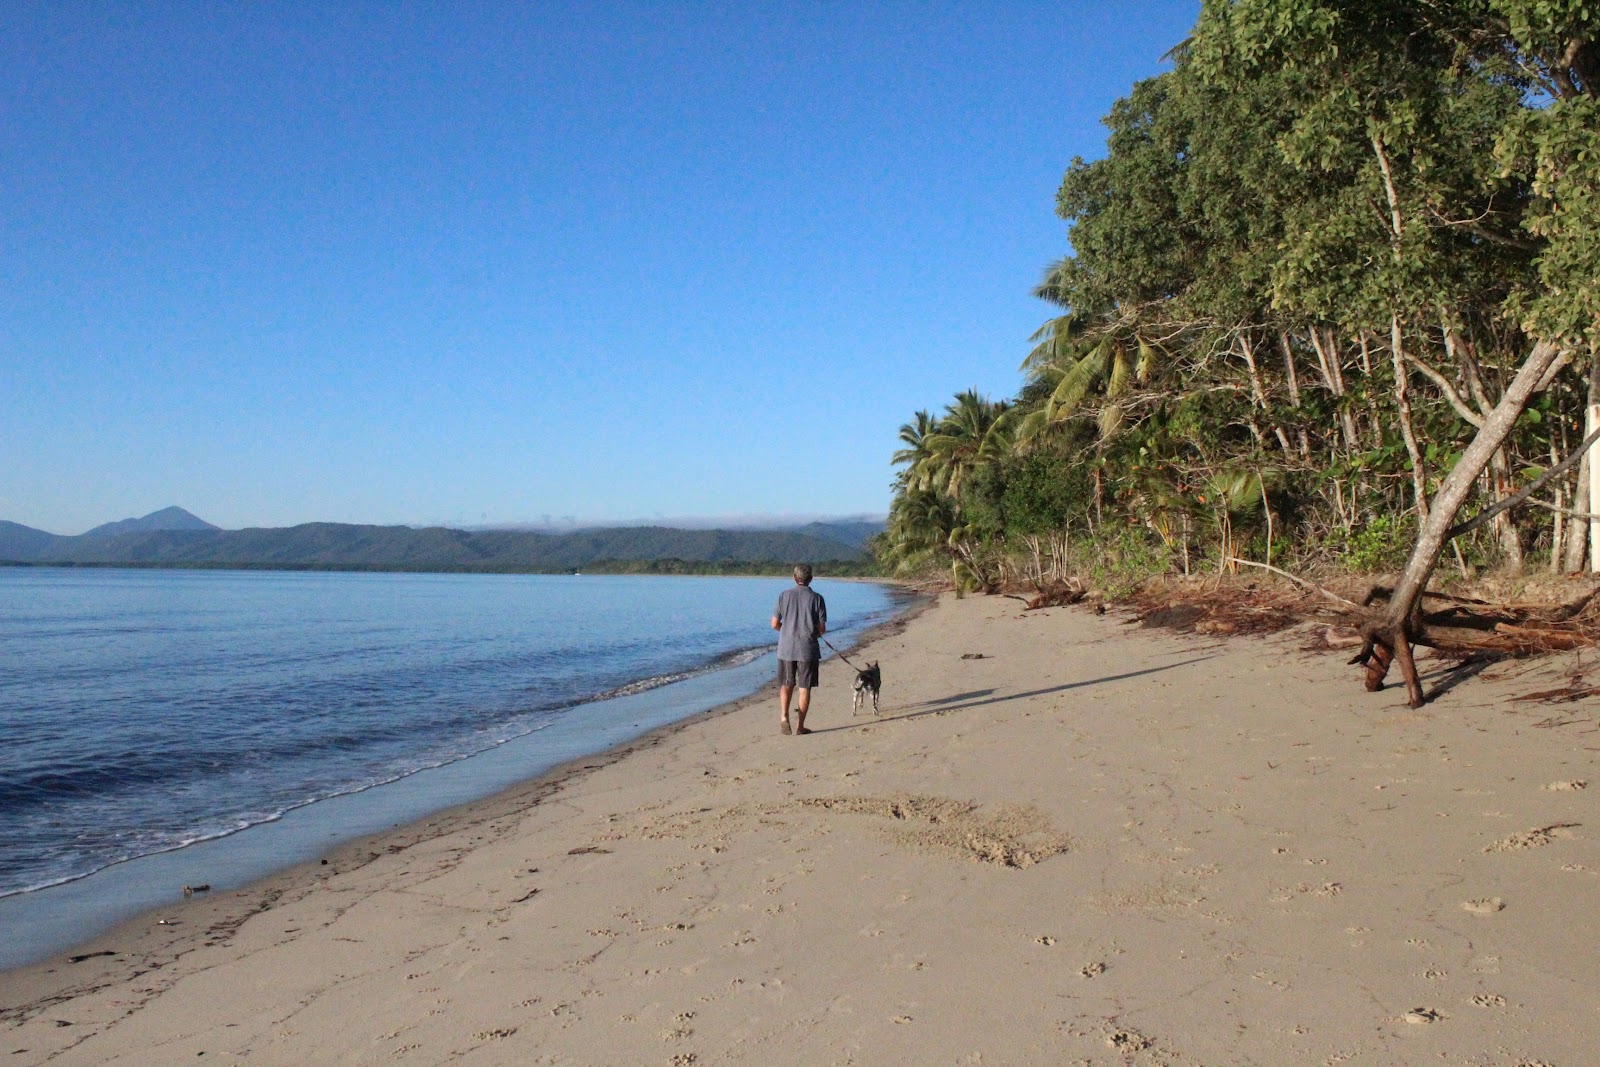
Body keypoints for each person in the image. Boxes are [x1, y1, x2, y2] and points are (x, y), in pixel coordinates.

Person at [771, 563, 827, 735]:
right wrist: (812, 634)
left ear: (795, 578)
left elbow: (774, 624)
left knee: (786, 684)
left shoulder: (783, 595)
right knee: (805, 688)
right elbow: (821, 628)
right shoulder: (817, 598)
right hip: (807, 648)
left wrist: (787, 631)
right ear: (811, 579)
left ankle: (784, 716)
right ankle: (800, 726)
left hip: (786, 647)